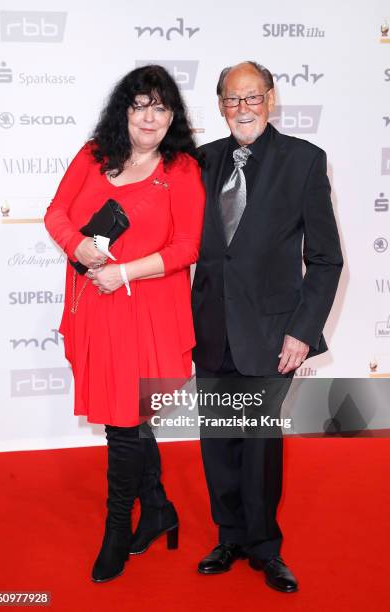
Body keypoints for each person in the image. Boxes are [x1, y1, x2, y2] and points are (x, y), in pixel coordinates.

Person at [44, 65, 205, 582]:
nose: (150, 117)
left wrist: (123, 270)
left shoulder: (180, 169)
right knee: (128, 420)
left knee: (123, 424)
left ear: (173, 116)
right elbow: (56, 214)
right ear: (124, 110)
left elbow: (187, 247)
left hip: (148, 310)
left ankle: (118, 527)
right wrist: (79, 246)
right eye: (140, 105)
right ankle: (158, 510)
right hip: (95, 307)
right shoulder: (94, 155)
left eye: (161, 107)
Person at [191, 61, 343, 592]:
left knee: (258, 442)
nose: (243, 109)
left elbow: (325, 259)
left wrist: (302, 331)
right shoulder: (200, 161)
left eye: (253, 97)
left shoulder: (303, 161)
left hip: (274, 332)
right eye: (233, 100)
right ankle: (228, 536)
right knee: (217, 439)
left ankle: (264, 546)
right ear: (220, 106)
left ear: (271, 99)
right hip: (211, 328)